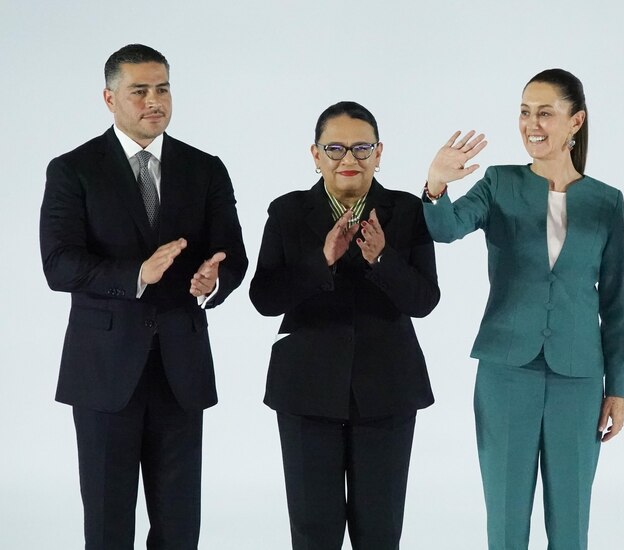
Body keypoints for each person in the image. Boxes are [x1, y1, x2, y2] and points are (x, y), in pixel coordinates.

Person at [39, 44, 247, 549]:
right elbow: (59, 263)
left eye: (163, 88)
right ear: (110, 98)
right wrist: (136, 273)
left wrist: (212, 281)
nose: (155, 101)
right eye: (140, 91)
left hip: (181, 367)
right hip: (104, 371)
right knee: (109, 524)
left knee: (179, 526)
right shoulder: (74, 169)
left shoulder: (205, 168)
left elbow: (233, 254)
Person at [421, 68, 624, 550]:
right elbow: (446, 228)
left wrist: (617, 388)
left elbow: (615, 304)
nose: (531, 124)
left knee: (571, 521)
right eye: (524, 112)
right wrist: (434, 187)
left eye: (545, 113)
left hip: (578, 377)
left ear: (575, 122)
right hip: (506, 371)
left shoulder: (606, 201)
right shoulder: (499, 183)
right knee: (507, 518)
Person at [249, 101, 439, 549]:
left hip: (388, 389)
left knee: (380, 530)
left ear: (379, 153)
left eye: (361, 148)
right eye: (335, 148)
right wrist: (323, 260)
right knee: (314, 531)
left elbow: (425, 300)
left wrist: (381, 259)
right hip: (306, 389)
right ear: (315, 155)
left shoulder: (407, 211)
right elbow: (264, 298)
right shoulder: (288, 211)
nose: (349, 159)